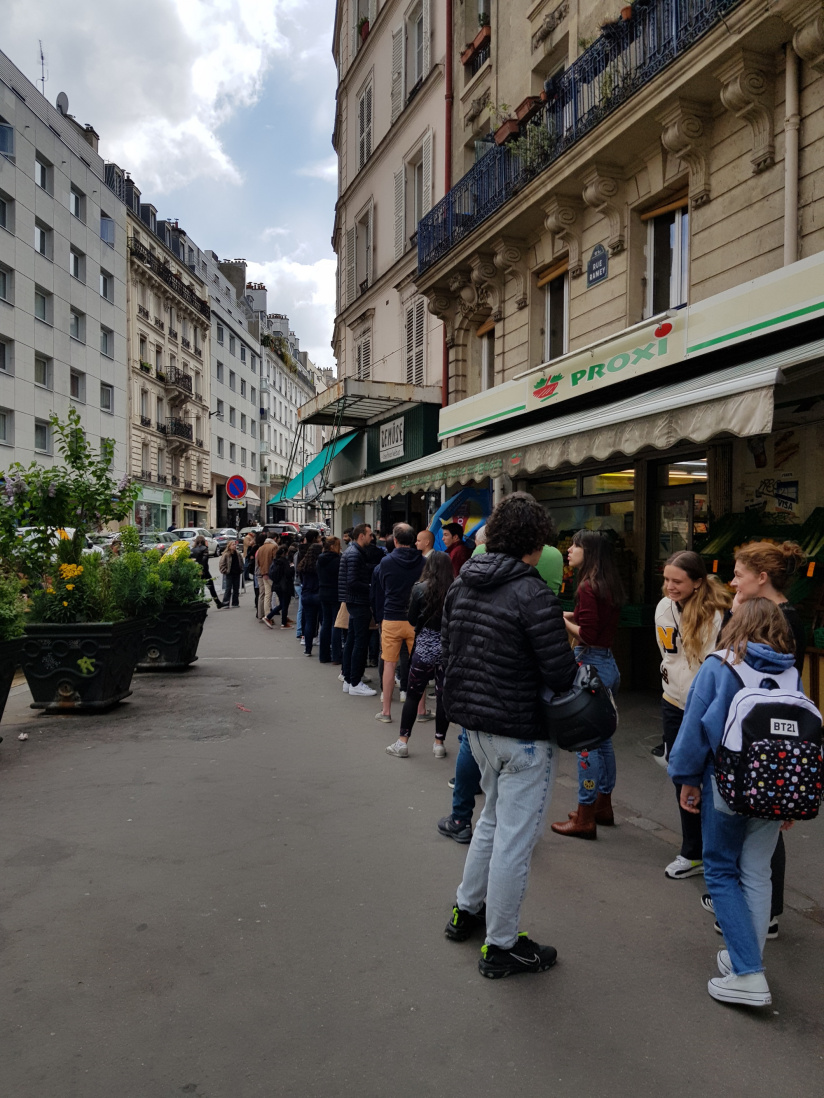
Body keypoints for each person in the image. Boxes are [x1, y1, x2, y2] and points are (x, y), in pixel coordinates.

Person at [442, 492, 578, 979]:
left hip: (476, 729)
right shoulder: (533, 592)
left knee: (491, 823)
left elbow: (451, 650)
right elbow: (562, 675)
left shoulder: (462, 584)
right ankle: (501, 945)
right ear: (535, 543)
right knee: (513, 842)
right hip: (523, 733)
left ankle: (466, 910)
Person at [668, 598, 800, 1008]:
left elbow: (695, 727)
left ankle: (748, 973)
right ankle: (747, 956)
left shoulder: (720, 665)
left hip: (727, 784)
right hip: (776, 788)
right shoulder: (791, 671)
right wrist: (790, 799)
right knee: (757, 872)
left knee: (721, 871)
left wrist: (686, 779)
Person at [700, 539, 808, 938]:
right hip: (761, 741)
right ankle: (753, 909)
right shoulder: (772, 614)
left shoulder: (778, 620)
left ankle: (763, 914)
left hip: (759, 743)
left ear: (761, 578)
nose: (732, 583)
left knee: (760, 834)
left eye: (739, 575)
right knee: (761, 832)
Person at [654, 551, 732, 878]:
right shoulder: (663, 608)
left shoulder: (719, 615)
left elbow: (718, 668)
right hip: (673, 703)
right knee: (681, 776)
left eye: (677, 581)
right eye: (667, 579)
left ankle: (719, 857)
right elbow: (669, 656)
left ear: (698, 582)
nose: (669, 586)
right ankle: (692, 852)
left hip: (709, 709)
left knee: (713, 783)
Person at [551, 530, 624, 840]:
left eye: (576, 545)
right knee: (603, 740)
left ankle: (584, 815)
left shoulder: (587, 586)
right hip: (607, 665)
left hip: (590, 666)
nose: (569, 550)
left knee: (586, 744)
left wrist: (559, 620)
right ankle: (601, 805)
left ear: (589, 551)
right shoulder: (607, 583)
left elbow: (587, 634)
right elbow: (590, 621)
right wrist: (568, 614)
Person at [386, 549, 452, 757]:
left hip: (423, 648)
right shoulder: (455, 590)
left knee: (413, 694)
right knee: (443, 697)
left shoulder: (419, 589)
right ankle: (439, 743)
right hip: (446, 649)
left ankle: (402, 741)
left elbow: (413, 620)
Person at [374, 523, 424, 724]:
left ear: (395, 540)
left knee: (389, 663)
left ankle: (386, 711)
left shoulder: (385, 562)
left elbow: (383, 587)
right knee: (419, 664)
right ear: (413, 541)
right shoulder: (424, 561)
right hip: (416, 620)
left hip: (392, 617)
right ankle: (421, 709)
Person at [339, 523, 378, 697]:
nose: (372, 537)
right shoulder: (355, 554)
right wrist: (371, 587)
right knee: (359, 642)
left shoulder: (352, 552)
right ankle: (355, 681)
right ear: (361, 536)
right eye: (369, 534)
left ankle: (349, 679)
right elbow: (353, 581)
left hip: (353, 601)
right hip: (358, 601)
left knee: (353, 640)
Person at [317, 537, 343, 664]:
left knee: (326, 623)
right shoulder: (338, 561)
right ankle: (336, 656)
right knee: (335, 624)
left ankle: (323, 655)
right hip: (335, 593)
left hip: (323, 592)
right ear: (333, 546)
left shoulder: (320, 560)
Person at [297, 542, 322, 656]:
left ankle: (308, 648)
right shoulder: (320, 564)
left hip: (306, 594)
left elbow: (301, 580)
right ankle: (325, 646)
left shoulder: (304, 564)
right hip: (318, 593)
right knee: (324, 621)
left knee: (309, 622)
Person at [192, 535, 221, 609]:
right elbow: (204, 561)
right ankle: (218, 603)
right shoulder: (205, 549)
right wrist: (202, 570)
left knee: (196, 589)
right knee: (211, 588)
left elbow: (191, 560)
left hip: (196, 571)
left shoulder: (192, 549)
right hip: (204, 571)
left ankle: (193, 603)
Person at [267, 546, 294, 628]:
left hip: (277, 585)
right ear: (284, 553)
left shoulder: (275, 561)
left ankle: (283, 620)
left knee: (283, 603)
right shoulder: (284, 562)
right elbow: (289, 573)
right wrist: (292, 567)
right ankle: (281, 622)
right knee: (284, 604)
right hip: (285, 585)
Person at [255, 535, 278, 625]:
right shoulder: (274, 547)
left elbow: (258, 562)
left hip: (263, 573)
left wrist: (263, 571)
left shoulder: (260, 548)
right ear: (275, 539)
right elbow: (275, 561)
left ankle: (267, 615)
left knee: (266, 595)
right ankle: (282, 617)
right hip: (272, 574)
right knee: (279, 595)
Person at [218, 540, 243, 607]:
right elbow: (221, 564)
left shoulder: (237, 553)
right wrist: (225, 571)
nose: (234, 546)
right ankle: (226, 602)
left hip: (237, 573)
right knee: (228, 588)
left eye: (235, 544)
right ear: (229, 546)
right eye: (233, 545)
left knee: (236, 588)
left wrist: (241, 569)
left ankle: (235, 603)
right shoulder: (226, 554)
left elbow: (241, 561)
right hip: (229, 573)